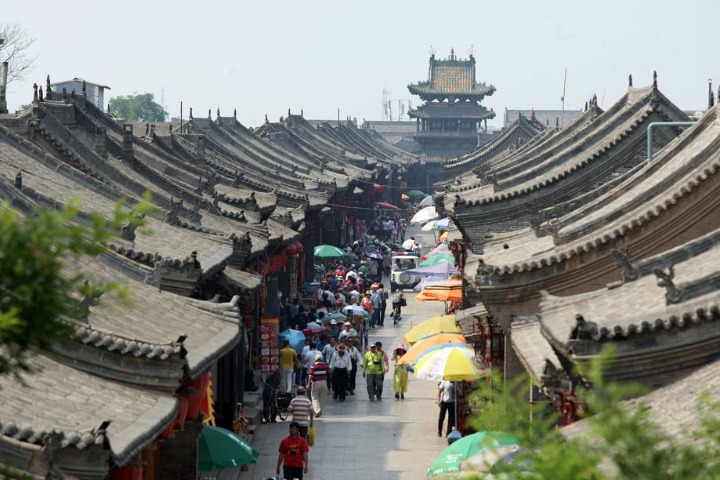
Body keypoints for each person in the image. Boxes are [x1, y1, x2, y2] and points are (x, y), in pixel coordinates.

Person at [307, 353, 329, 418]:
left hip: (316, 383)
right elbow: (328, 373)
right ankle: (320, 410)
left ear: (315, 359)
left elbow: (310, 376)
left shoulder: (313, 366)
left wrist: (308, 384)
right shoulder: (325, 366)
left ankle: (317, 411)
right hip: (323, 383)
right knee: (322, 398)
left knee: (314, 397)